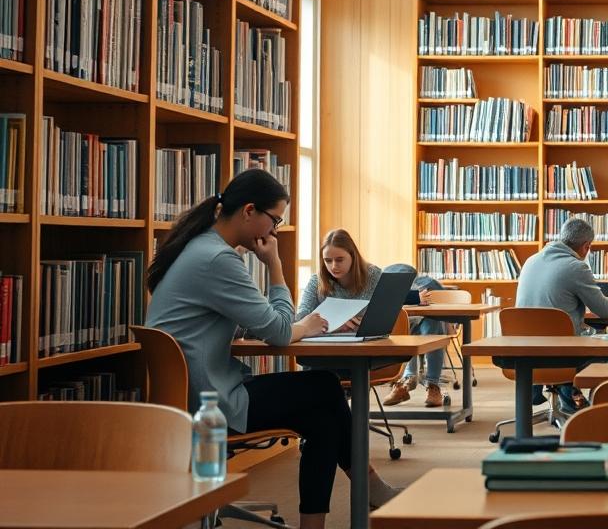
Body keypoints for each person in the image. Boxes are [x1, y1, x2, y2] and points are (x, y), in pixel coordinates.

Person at [145, 169, 401, 529]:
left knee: (322, 416)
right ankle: (370, 485)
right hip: (211, 402)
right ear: (250, 211)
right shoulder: (219, 259)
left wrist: (273, 322)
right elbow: (280, 332)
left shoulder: (200, 247)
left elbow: (256, 323)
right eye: (275, 220)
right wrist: (276, 269)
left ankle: (332, 511)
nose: (274, 232)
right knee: (325, 387)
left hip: (194, 392)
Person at [296, 229, 449, 408]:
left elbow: (388, 315)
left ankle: (342, 421)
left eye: (339, 259)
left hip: (364, 353)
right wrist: (333, 324)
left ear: (352, 256)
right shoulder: (317, 282)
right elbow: (299, 318)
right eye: (327, 260)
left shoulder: (372, 276)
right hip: (327, 353)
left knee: (331, 383)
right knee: (315, 377)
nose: (333, 266)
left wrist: (367, 323)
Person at [515, 217, 608, 410]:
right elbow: (605, 310)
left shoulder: (531, 260)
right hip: (560, 355)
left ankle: (567, 395)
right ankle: (577, 398)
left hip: (525, 354)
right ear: (586, 246)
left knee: (568, 336)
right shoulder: (576, 267)